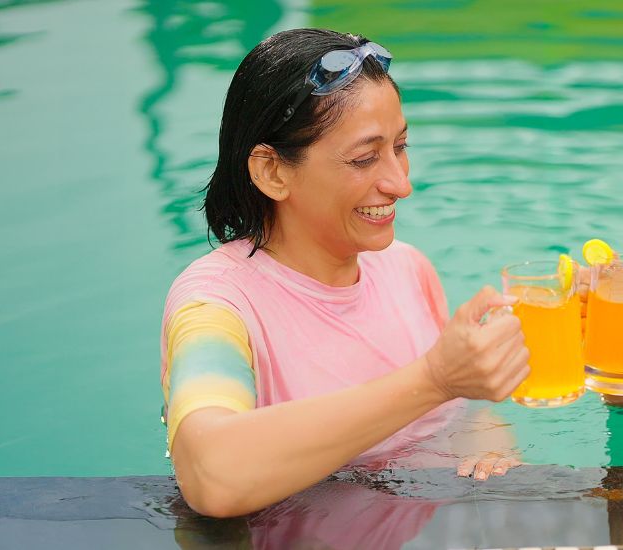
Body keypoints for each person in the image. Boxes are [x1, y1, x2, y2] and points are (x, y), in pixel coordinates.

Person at [159, 28, 529, 518]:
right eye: (364, 158)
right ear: (272, 171)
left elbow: (454, 419)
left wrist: (488, 446)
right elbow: (211, 474)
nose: (400, 183)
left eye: (400, 146)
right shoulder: (216, 305)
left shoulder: (405, 268)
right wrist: (435, 379)